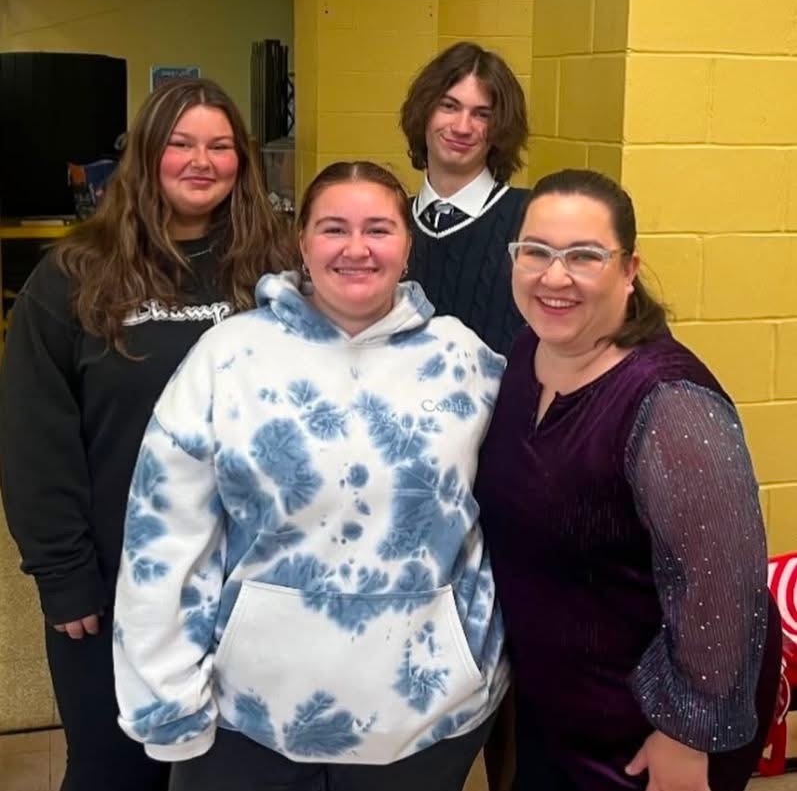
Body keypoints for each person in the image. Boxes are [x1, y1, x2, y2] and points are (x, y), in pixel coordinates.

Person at [111, 160, 509, 791]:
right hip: (249, 719)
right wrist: (166, 697)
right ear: (302, 243)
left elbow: (510, 517)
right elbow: (164, 534)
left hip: (426, 717)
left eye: (378, 229)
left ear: (408, 244)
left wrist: (479, 664)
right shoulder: (229, 356)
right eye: (333, 229)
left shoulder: (464, 361)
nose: (356, 249)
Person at [0, 78, 294, 791]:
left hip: (251, 582)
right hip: (114, 582)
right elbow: (36, 441)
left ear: (242, 161)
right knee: (113, 769)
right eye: (181, 143)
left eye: (220, 145)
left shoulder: (278, 269)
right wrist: (64, 578)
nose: (202, 160)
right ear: (145, 155)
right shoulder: (73, 276)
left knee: (234, 770)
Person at [474, 168, 782, 791]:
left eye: (584, 256)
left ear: (629, 268)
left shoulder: (668, 401)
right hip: (555, 706)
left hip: (643, 735)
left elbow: (722, 587)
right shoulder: (524, 356)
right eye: (535, 252)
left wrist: (687, 735)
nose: (553, 277)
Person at [400, 41, 530, 357]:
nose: (462, 127)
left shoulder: (532, 219)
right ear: (424, 111)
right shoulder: (388, 222)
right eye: (449, 106)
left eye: (481, 114)